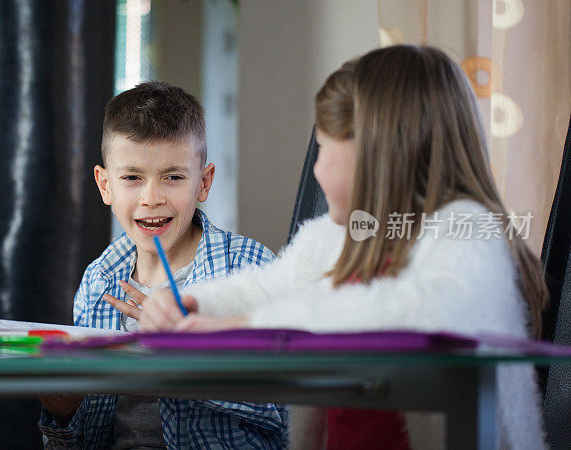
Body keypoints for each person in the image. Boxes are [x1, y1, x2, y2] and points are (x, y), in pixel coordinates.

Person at [136, 46, 549, 448]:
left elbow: (423, 313)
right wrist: (191, 304)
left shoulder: (468, 228)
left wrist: (249, 328)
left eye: (325, 148)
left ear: (378, 152)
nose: (315, 168)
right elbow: (265, 289)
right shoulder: (333, 236)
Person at [37, 81, 288, 449]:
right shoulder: (98, 281)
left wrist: (185, 354)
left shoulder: (251, 268)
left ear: (203, 183)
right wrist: (65, 413)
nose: (152, 198)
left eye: (173, 177)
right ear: (105, 185)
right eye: (132, 178)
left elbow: (285, 411)